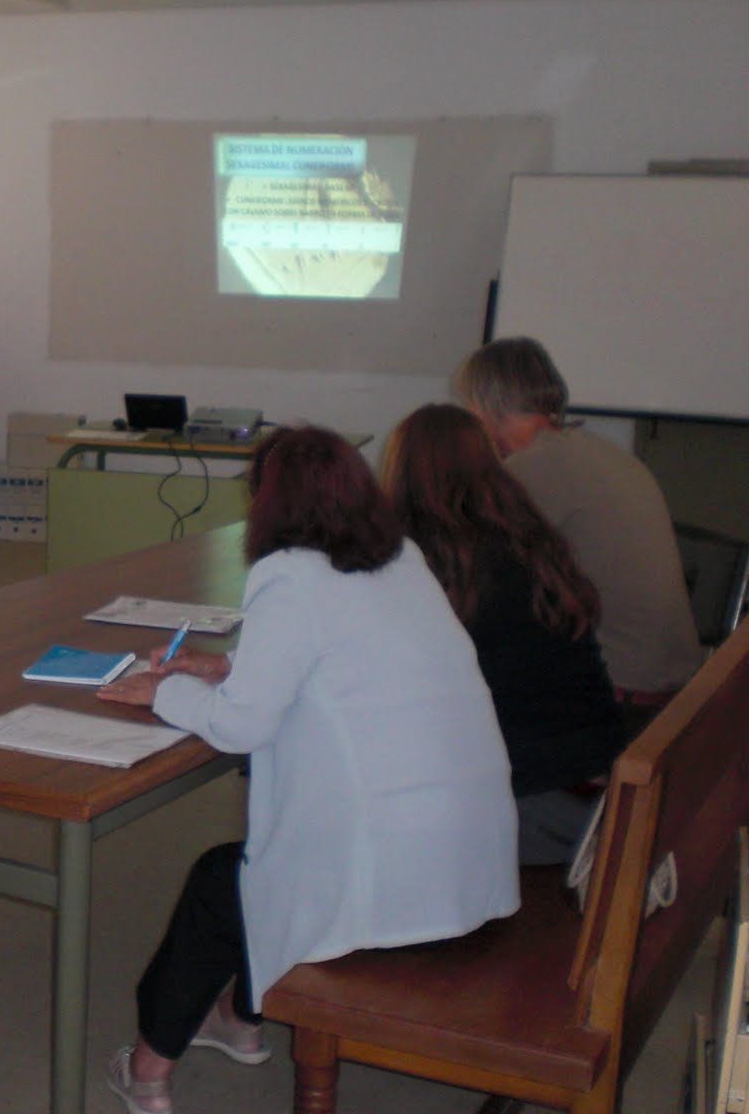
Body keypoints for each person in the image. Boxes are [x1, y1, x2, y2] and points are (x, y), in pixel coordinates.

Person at [95, 426, 519, 1114]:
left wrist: (163, 693)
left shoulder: (288, 575)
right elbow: (349, 658)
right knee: (254, 870)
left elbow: (242, 726)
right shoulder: (403, 559)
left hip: (391, 875)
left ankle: (148, 1069)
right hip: (469, 860)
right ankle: (239, 1020)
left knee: (222, 883)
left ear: (267, 503)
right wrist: (228, 667)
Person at [382, 403, 624, 865]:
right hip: (592, 780)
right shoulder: (531, 542)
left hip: (528, 802)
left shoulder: (425, 566)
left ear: (401, 476)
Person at [454, 337, 700, 733]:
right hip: (681, 693)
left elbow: (473, 574)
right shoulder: (604, 453)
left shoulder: (535, 466)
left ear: (485, 406)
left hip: (623, 700)